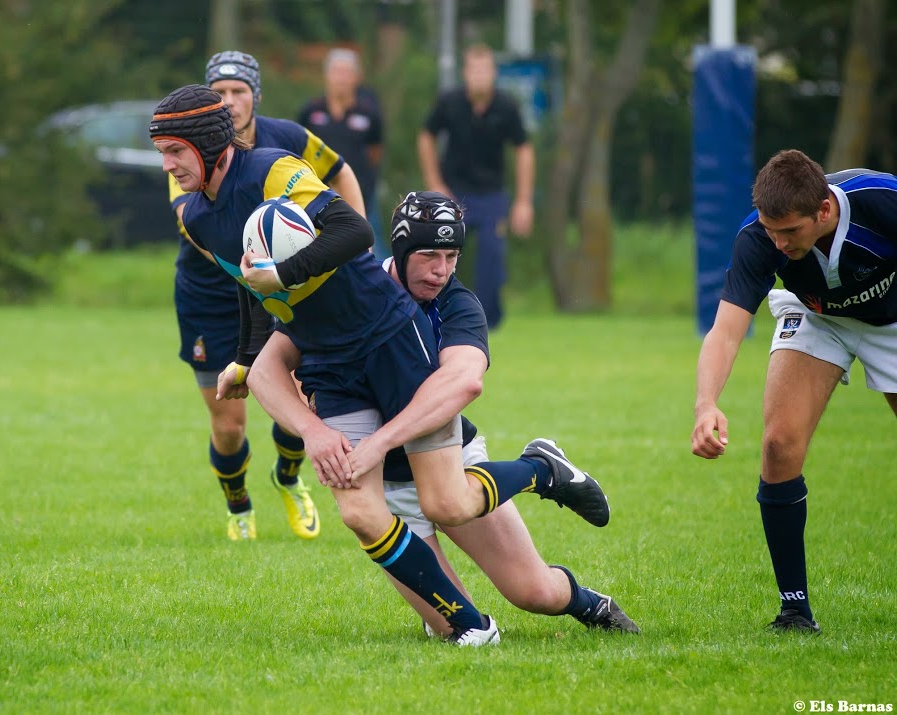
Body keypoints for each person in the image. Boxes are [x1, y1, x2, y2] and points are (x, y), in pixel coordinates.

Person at [152, 85, 601, 646]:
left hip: (387, 335)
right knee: (359, 512)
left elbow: (354, 232)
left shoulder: (272, 170)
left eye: (175, 151)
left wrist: (284, 275)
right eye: (162, 153)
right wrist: (245, 360)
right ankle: (471, 626)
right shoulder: (196, 217)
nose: (167, 166)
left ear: (209, 144)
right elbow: (250, 284)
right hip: (327, 363)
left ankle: (541, 469)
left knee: (446, 501)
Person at [255, 191, 638, 637]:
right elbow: (267, 369)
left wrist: (379, 443)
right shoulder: (350, 289)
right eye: (429, 255)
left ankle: (583, 580)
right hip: (388, 487)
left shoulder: (457, 303)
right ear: (401, 250)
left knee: (534, 593)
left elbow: (464, 381)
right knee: (448, 626)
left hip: (452, 463)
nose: (442, 269)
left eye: (452, 256)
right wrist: (312, 430)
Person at [691, 149, 897, 634]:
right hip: (816, 316)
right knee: (779, 445)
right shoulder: (759, 238)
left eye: (789, 231)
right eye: (772, 231)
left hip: (891, 321)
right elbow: (725, 332)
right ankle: (795, 612)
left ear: (823, 210)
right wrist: (706, 404)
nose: (779, 243)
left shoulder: (883, 202)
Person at [168, 50, 367, 542]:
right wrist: (262, 277)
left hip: (279, 285)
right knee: (229, 424)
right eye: (219, 93)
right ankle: (238, 505)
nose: (229, 101)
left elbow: (340, 172)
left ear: (255, 95)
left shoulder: (285, 143)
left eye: (238, 91)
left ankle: (289, 477)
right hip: (213, 294)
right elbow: (211, 240)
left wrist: (351, 248)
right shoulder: (185, 158)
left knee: (298, 401)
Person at [417, 43, 535, 330]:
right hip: (453, 193)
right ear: (465, 73)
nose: (480, 76)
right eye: (474, 70)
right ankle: (434, 311)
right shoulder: (450, 102)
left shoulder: (506, 106)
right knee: (439, 250)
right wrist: (435, 183)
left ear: (494, 73)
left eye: (485, 70)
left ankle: (485, 321)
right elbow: (426, 137)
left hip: (491, 195)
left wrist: (523, 201)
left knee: (492, 254)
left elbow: (524, 149)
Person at [296, 47, 387, 259]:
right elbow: (299, 150)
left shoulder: (369, 113)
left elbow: (375, 152)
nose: (341, 78)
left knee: (369, 248)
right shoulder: (311, 111)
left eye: (346, 72)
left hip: (361, 194)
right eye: (336, 72)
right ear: (327, 75)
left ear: (357, 77)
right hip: (318, 195)